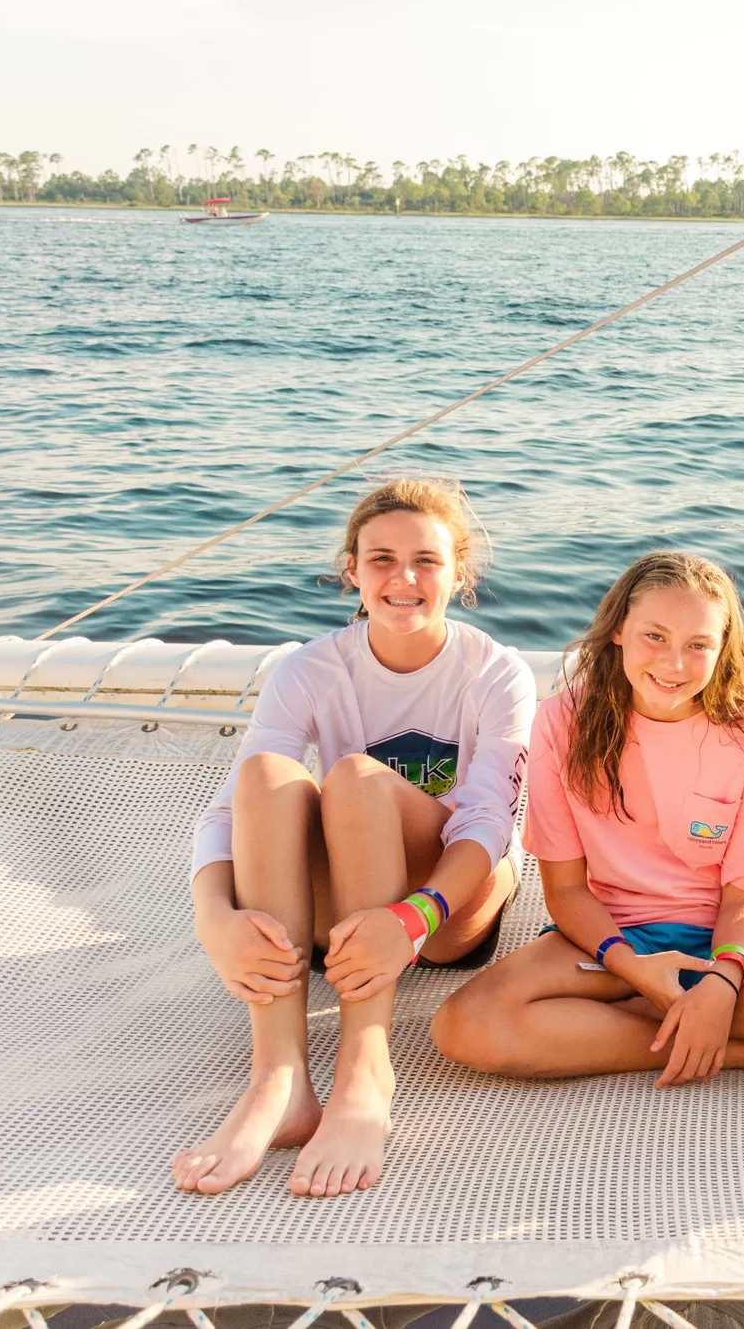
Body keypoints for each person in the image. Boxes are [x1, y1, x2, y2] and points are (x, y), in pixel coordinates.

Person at [173, 477, 535, 1198]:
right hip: (343, 913)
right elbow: (226, 810)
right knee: (270, 775)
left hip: (446, 912)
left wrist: (414, 916)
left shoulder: (495, 672)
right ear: (352, 572)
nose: (404, 578)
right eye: (381, 559)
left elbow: (489, 822)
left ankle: (365, 1067)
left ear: (460, 572)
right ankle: (280, 1078)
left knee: (358, 777)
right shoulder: (310, 668)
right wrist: (213, 918)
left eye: (426, 560)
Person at [431, 551, 744, 1084]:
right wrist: (632, 967)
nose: (674, 663)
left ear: (722, 648)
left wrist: (724, 982)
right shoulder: (564, 719)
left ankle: (646, 1021)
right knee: (462, 1025)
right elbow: (565, 891)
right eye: (654, 636)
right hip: (616, 933)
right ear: (618, 631)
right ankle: (736, 1047)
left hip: (735, 934)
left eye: (698, 644)